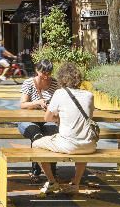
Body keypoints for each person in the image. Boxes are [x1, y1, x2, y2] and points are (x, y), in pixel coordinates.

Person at [33, 61, 98, 195]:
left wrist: (58, 118)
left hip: (69, 145)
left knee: (36, 145)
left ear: (61, 78)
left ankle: (52, 181)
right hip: (89, 145)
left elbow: (47, 118)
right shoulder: (89, 95)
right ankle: (76, 183)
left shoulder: (59, 93)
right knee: (81, 141)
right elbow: (88, 116)